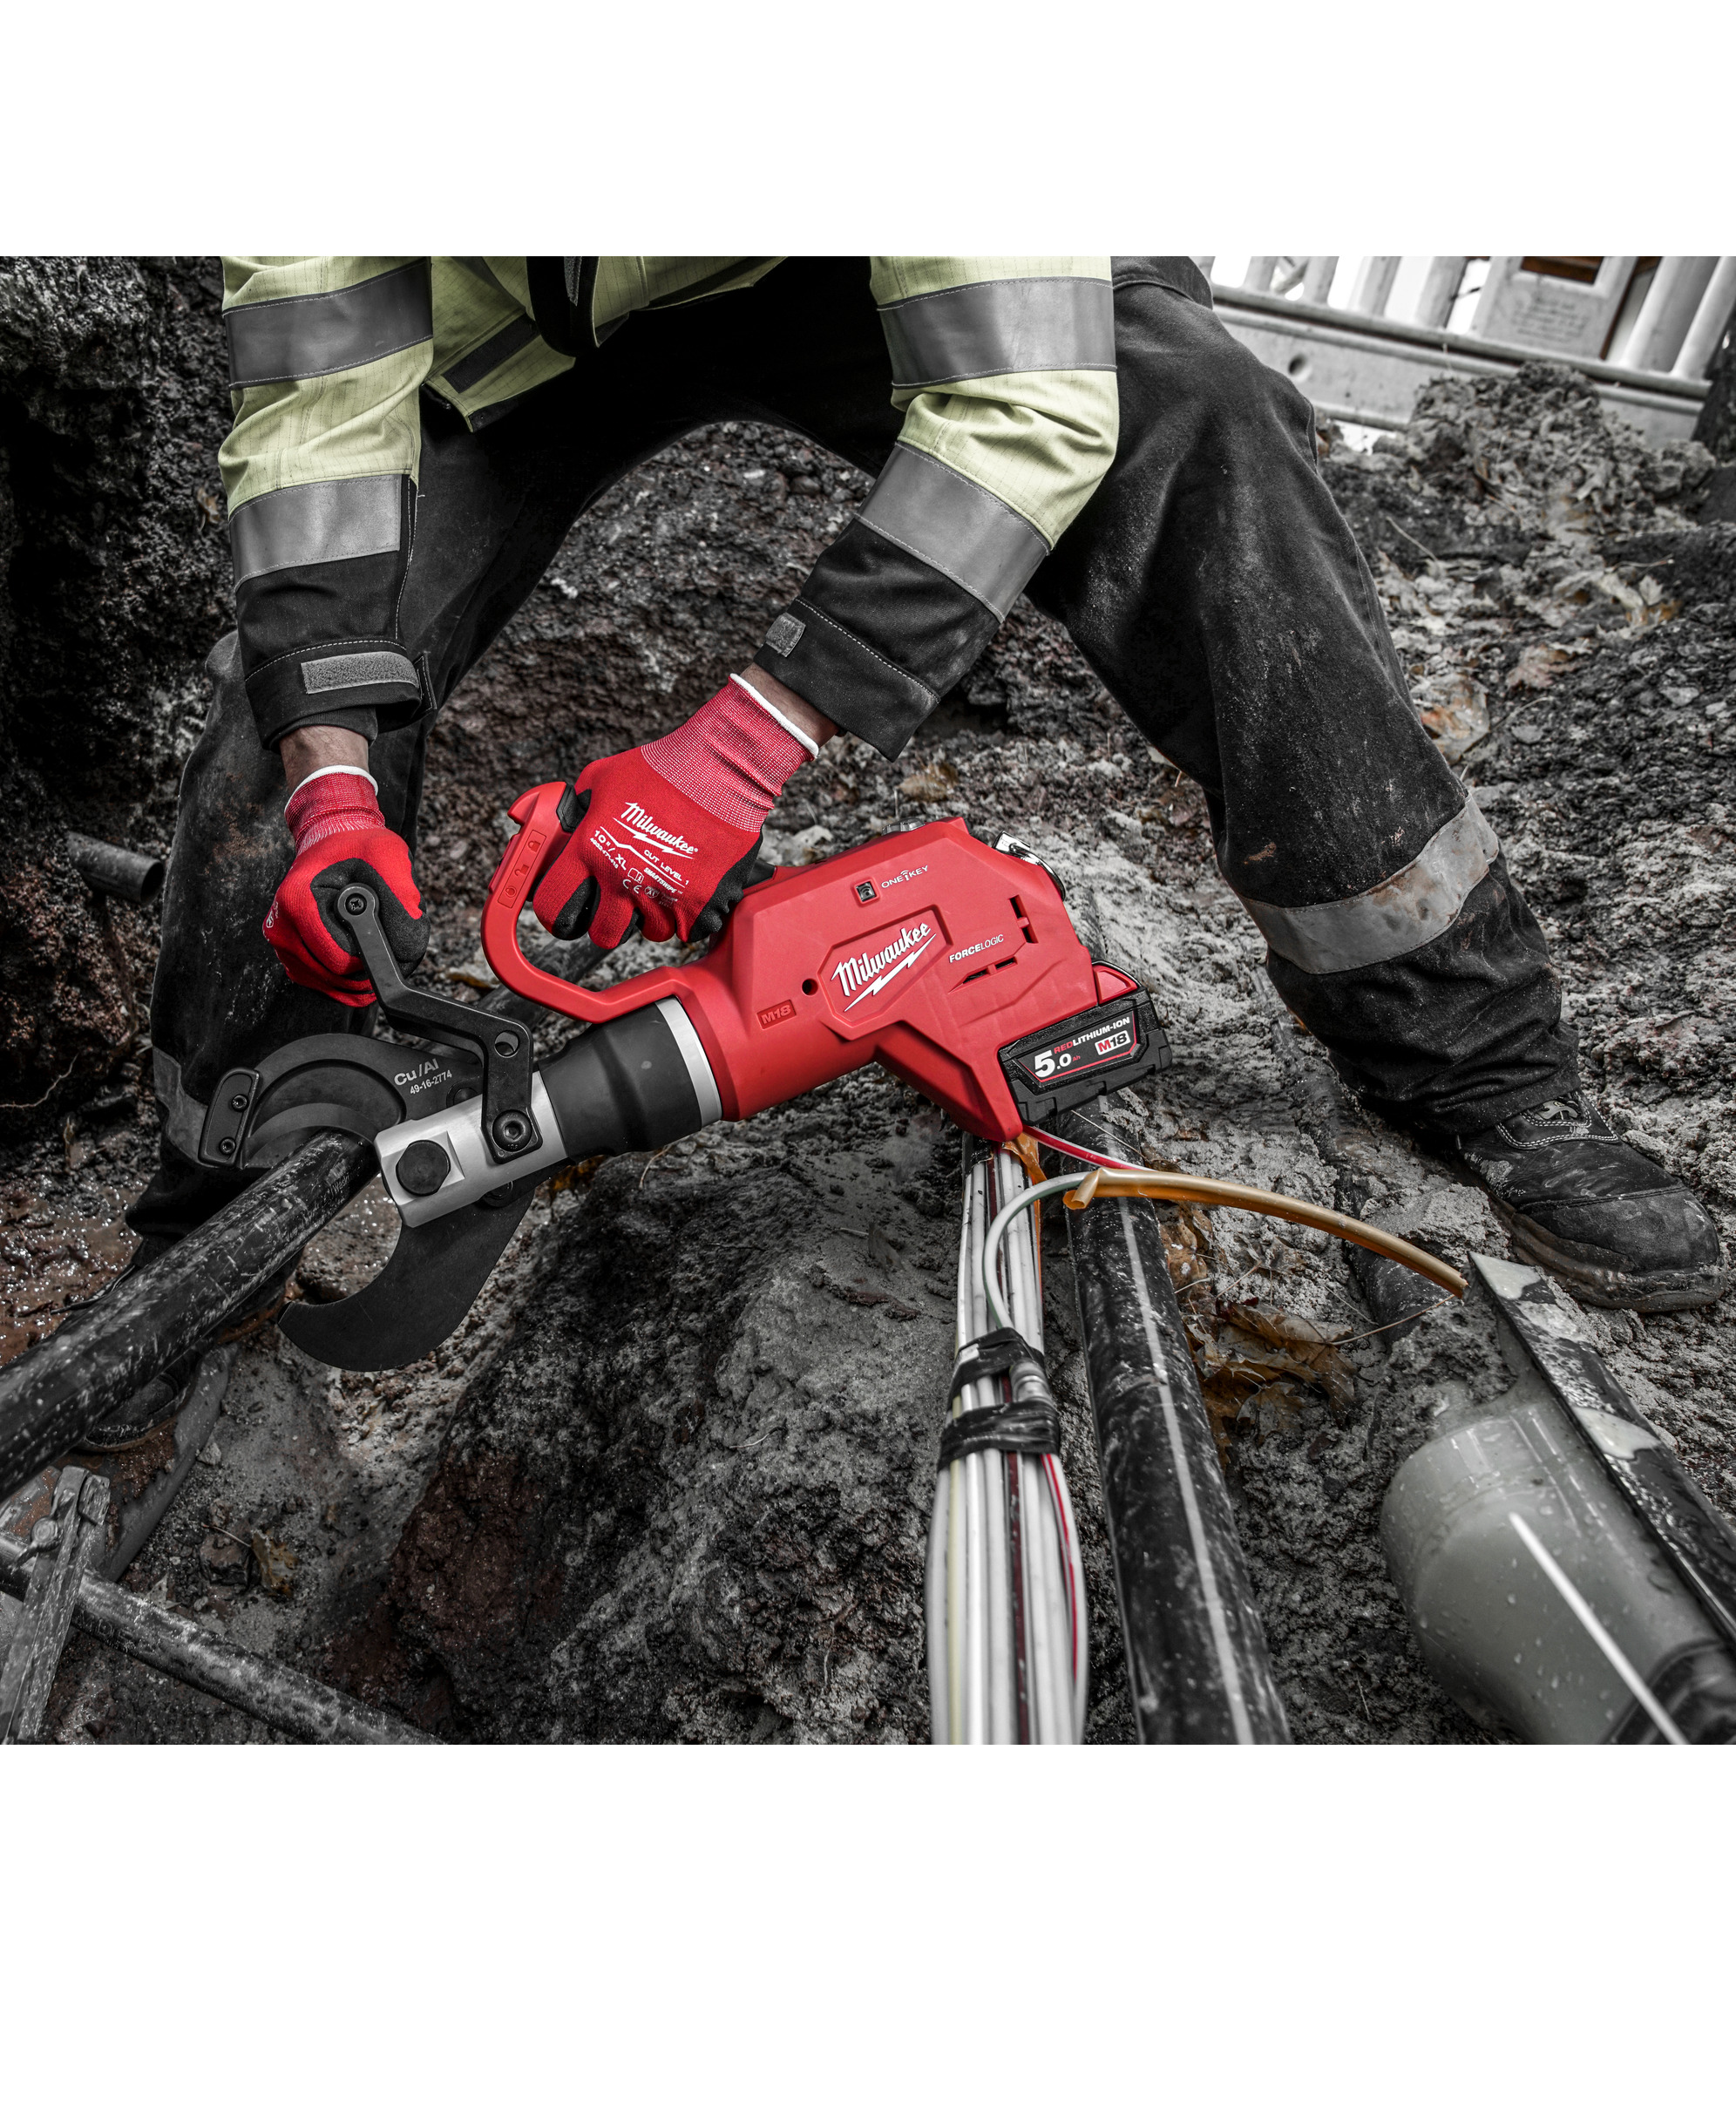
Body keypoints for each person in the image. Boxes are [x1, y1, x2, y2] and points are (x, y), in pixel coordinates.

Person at [102, 255, 1719, 1439]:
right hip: (523, 329)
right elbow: (317, 421)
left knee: (1202, 423)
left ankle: (1482, 1067)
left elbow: (1025, 407)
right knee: (273, 716)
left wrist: (745, 747)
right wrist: (331, 781)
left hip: (871, 266)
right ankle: (213, 1206)